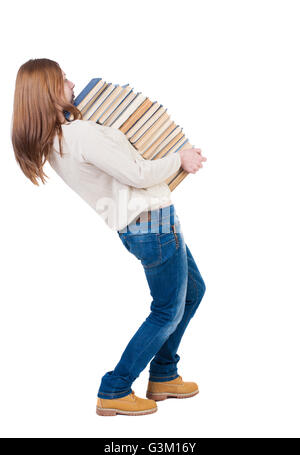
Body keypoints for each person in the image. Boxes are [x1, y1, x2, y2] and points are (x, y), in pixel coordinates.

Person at [11, 58, 207, 417]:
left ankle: (164, 374)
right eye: (64, 78)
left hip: (143, 226)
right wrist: (180, 158)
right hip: (153, 225)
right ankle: (115, 388)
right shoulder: (79, 134)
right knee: (166, 310)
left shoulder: (57, 141)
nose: (71, 83)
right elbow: (137, 172)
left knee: (193, 292)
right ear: (49, 91)